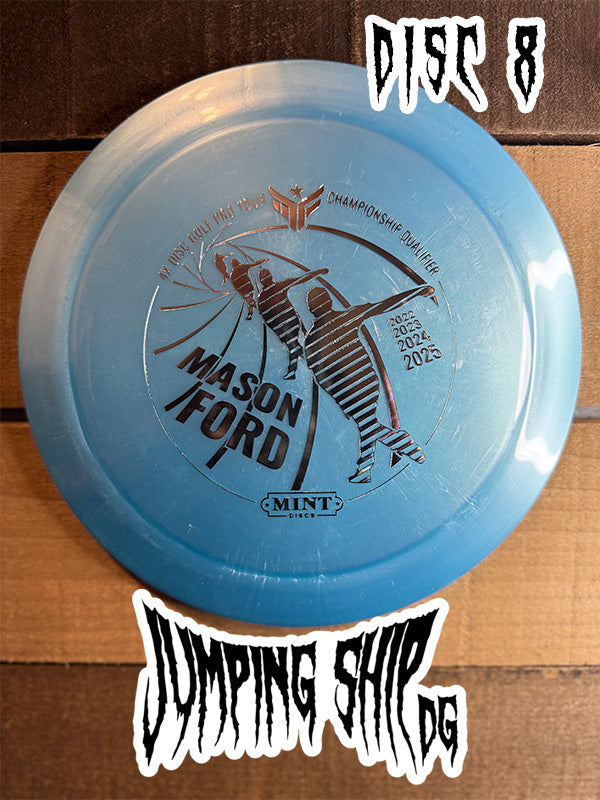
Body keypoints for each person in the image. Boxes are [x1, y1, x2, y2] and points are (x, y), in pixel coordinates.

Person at [304, 283, 436, 483]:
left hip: (349, 390)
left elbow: (319, 376)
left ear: (311, 309)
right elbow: (384, 305)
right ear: (328, 301)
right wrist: (417, 291)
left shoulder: (311, 339)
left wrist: (339, 400)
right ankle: (366, 469)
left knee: (367, 424)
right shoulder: (344, 319)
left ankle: (402, 446)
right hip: (364, 384)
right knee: (367, 425)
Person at [257, 267, 328, 380]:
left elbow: (302, 279)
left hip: (286, 326)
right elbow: (265, 316)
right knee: (295, 347)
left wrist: (318, 272)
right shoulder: (269, 293)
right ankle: (303, 367)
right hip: (286, 326)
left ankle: (297, 368)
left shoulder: (265, 295)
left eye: (267, 273)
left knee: (294, 346)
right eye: (264, 275)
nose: (266, 276)